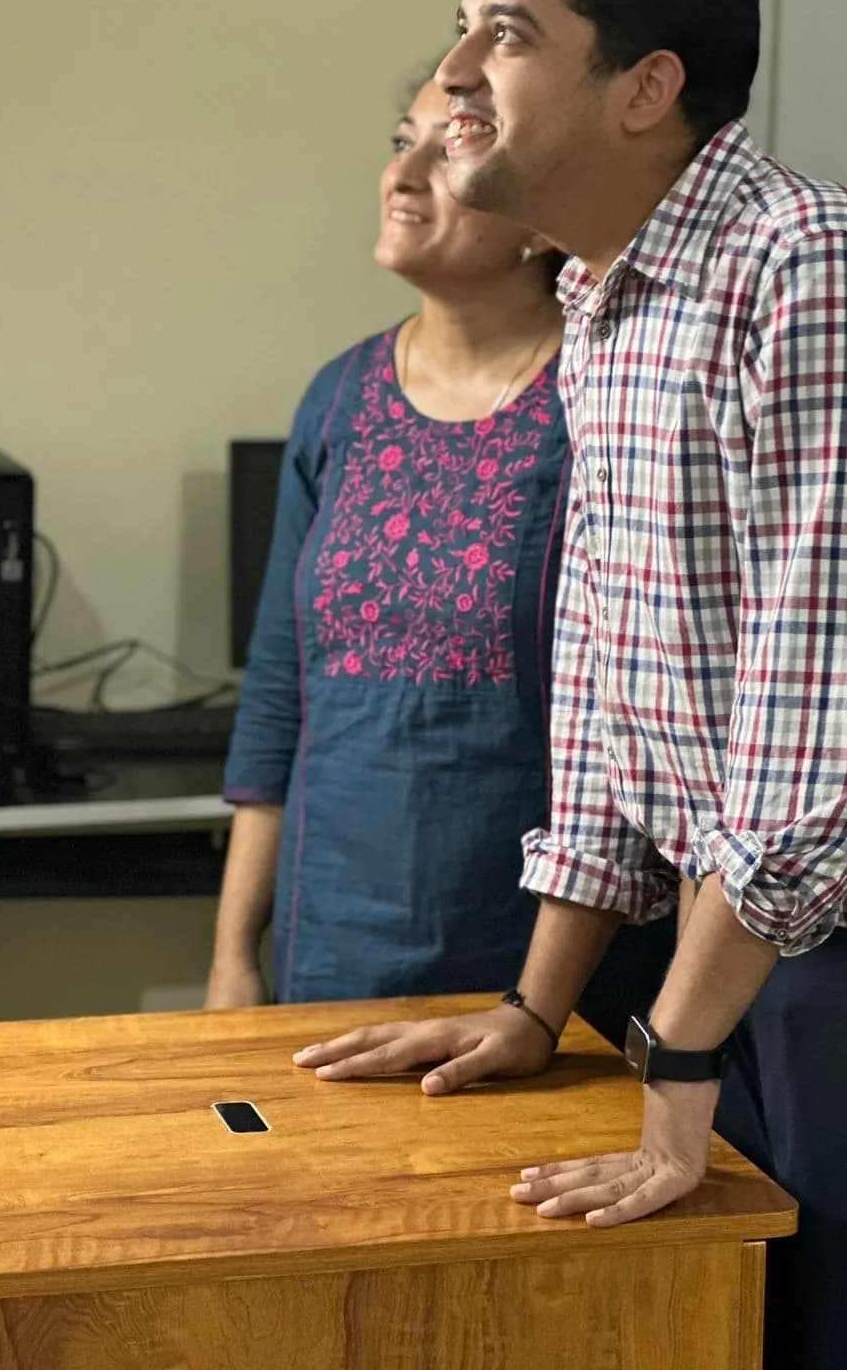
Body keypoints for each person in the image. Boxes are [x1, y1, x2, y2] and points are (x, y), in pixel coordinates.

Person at [294, 0, 847, 1369]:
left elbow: (816, 734)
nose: (456, 77)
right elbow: (604, 678)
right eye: (465, 32)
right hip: (744, 923)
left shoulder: (811, 268)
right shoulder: (606, 296)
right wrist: (537, 1008)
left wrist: (680, 1053)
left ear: (647, 88)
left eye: (507, 36)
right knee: (711, 1321)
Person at [206, 72, 673, 1042]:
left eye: (449, 148)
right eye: (400, 139)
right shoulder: (337, 400)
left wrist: (542, 1006)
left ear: (539, 219)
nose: (403, 174)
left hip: (538, 971)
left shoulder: (603, 406)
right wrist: (231, 961)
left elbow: (643, 725)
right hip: (327, 947)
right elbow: (279, 699)